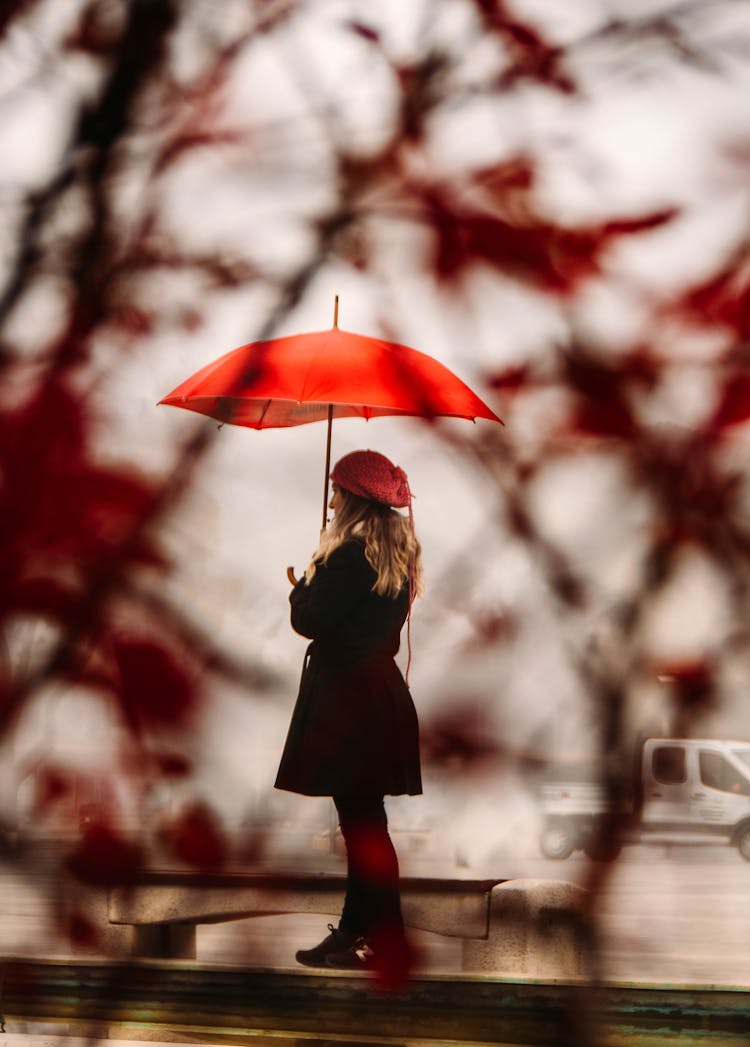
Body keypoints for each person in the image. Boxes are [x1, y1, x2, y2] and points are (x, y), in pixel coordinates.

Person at [274, 449, 423, 973]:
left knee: (362, 827)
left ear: (353, 501)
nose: (332, 498)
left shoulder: (346, 555)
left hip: (350, 702)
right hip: (378, 697)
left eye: (338, 490)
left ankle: (384, 938)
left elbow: (310, 621)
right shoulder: (394, 557)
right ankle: (362, 932)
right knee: (365, 824)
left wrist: (306, 578)